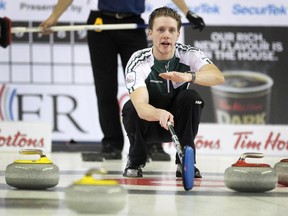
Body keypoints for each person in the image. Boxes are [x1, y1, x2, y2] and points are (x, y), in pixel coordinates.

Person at [40, 0, 205, 161]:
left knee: (151, 83)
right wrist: (54, 17)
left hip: (133, 23)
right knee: (105, 88)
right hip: (100, 23)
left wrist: (187, 12)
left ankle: (153, 145)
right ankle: (112, 144)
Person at [122, 6, 224, 178]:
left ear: (177, 34)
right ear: (150, 33)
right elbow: (140, 107)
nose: (166, 35)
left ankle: (185, 162)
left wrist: (188, 76)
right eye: (160, 29)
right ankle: (135, 160)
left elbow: (217, 77)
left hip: (178, 125)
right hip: (150, 122)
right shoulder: (139, 61)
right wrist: (158, 113)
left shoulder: (189, 54)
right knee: (129, 107)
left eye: (171, 30)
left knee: (192, 98)